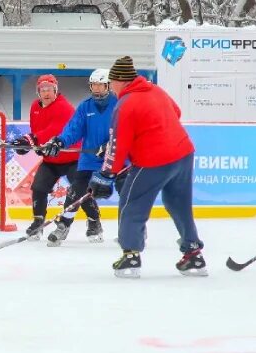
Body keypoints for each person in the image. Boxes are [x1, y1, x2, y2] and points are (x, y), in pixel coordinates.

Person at [87, 56, 206, 278]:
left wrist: (105, 175)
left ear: (121, 81)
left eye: (112, 82)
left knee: (132, 204)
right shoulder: (157, 91)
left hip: (153, 160)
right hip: (183, 154)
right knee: (178, 204)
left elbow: (117, 144)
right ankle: (194, 255)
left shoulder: (125, 105)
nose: (111, 87)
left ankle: (131, 256)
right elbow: (176, 112)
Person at [41, 69, 120, 244]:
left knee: (127, 191)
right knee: (75, 192)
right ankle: (63, 226)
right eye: (94, 85)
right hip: (89, 161)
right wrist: (60, 142)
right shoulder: (85, 106)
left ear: (108, 85)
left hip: (117, 158)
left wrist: (112, 144)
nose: (97, 88)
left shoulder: (120, 104)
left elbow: (127, 129)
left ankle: (131, 229)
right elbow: (73, 129)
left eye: (100, 84)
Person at [11, 74, 87, 246]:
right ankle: (38, 223)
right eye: (42, 89)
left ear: (56, 90)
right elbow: (37, 129)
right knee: (38, 188)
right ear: (38, 92)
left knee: (79, 192)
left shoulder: (64, 107)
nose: (46, 93)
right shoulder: (34, 107)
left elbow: (55, 130)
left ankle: (94, 222)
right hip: (51, 160)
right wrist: (30, 144)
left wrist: (31, 140)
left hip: (71, 158)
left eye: (50, 89)